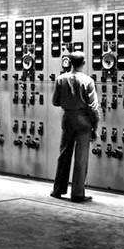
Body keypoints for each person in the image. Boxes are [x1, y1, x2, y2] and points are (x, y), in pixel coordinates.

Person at [51, 50, 101, 202]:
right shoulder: (88, 81)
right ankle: (78, 194)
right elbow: (93, 107)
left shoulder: (60, 79)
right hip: (83, 120)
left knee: (64, 154)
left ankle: (58, 190)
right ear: (84, 63)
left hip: (67, 118)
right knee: (81, 157)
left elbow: (55, 102)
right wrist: (95, 126)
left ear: (70, 62)